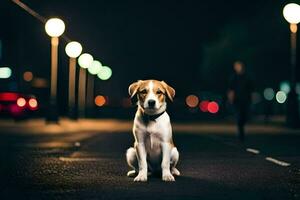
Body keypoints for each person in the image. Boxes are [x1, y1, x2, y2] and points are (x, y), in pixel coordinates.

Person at [228, 61, 254, 142]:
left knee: (244, 116)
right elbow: (231, 89)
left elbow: (251, 89)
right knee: (239, 116)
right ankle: (241, 133)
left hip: (246, 99)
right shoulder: (234, 77)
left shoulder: (247, 77)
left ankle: (242, 130)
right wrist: (231, 99)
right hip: (237, 100)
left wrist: (251, 98)